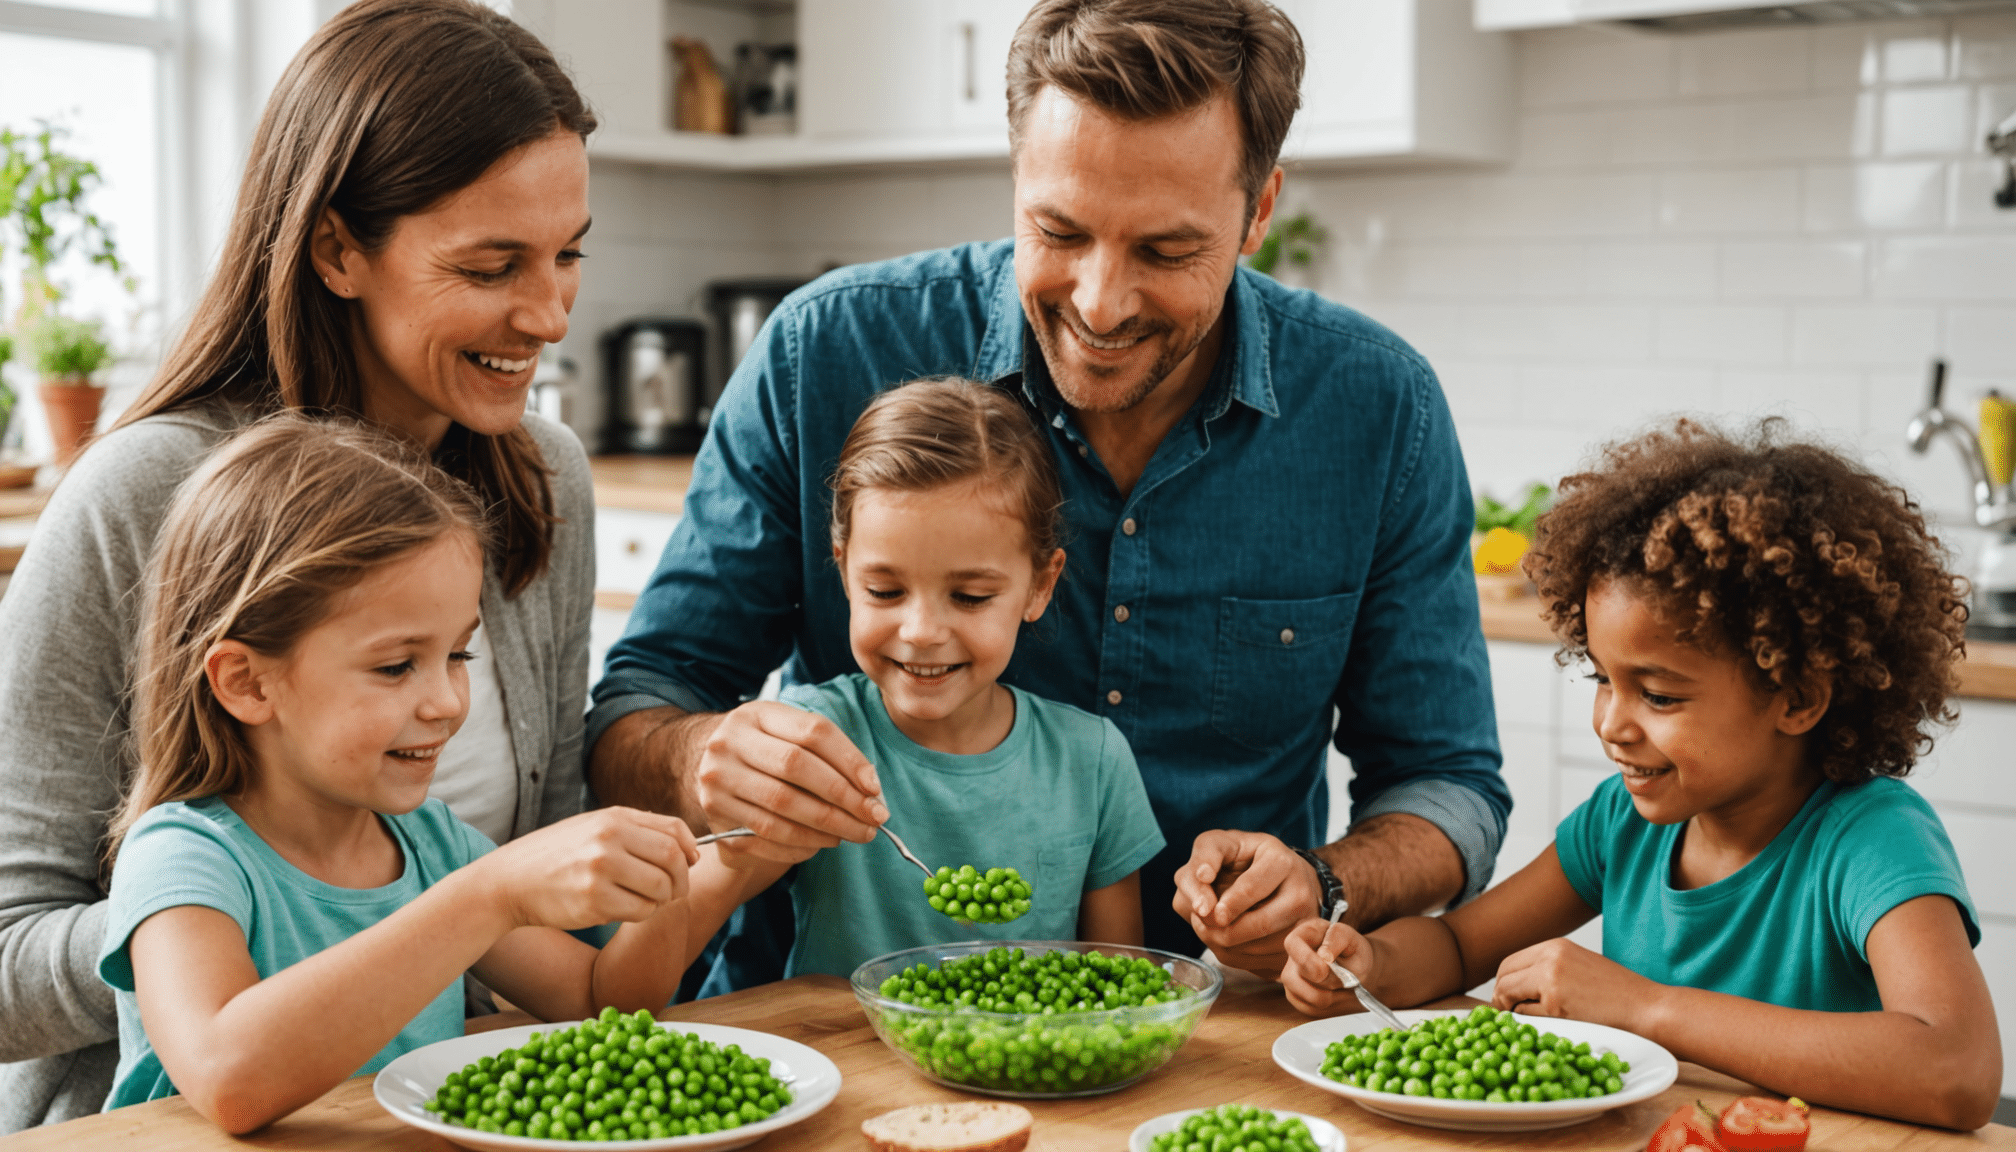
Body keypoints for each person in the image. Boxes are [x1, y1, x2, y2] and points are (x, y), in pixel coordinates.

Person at [590, 0, 1507, 993]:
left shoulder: (1376, 408)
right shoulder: (826, 353)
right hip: (823, 1024)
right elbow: (637, 709)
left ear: (1260, 210)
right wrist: (704, 757)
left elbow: (1448, 786)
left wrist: (1326, 886)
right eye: (1058, 231)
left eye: (1165, 251)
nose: (1101, 302)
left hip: (1223, 1033)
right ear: (1015, 177)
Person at [0, 0, 598, 1128]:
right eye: (492, 264)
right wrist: (242, 918)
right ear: (336, 248)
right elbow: (3, 956)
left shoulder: (541, 480)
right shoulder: (139, 495)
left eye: (569, 254)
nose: (551, 312)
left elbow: (525, 881)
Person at [1279, 420, 1999, 1131]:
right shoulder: (1621, 822)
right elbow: (1462, 945)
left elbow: (1957, 1070)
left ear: (1799, 696)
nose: (1611, 724)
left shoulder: (1870, 840)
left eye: (1659, 695)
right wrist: (1368, 961)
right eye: (1602, 679)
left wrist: (1648, 1006)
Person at [99, 417, 696, 1134]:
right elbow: (230, 1079)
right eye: (395, 666)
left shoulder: (430, 845)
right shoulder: (183, 856)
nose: (447, 703)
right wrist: (489, 897)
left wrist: (708, 866)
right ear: (248, 682)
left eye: (458, 657)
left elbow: (600, 998)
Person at [680, 379, 1165, 979]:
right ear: (843, 568)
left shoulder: (1092, 762)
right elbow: (632, 979)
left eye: (969, 596)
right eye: (885, 591)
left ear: (1040, 584)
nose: (922, 631)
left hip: (1026, 1073)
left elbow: (1121, 993)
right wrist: (731, 843)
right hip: (840, 1068)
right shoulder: (811, 744)